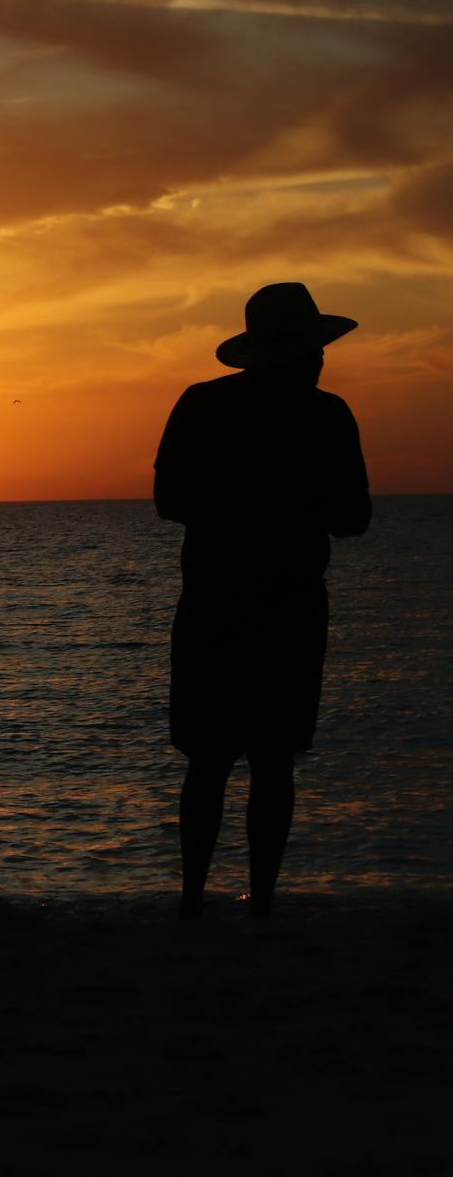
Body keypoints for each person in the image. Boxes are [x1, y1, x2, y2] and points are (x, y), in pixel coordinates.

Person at [154, 283, 371, 919]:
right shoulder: (328, 416)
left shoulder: (201, 405)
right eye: (314, 350)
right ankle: (261, 907)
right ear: (299, 353)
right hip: (285, 608)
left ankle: (194, 903)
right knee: (270, 762)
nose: (321, 361)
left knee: (211, 761)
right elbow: (353, 519)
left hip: (215, 606)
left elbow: (170, 501)